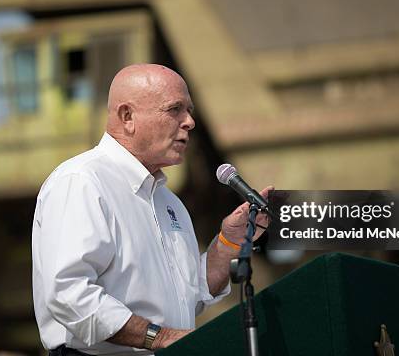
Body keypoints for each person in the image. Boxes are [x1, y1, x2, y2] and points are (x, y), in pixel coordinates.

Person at [32, 64, 271, 355]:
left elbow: (187, 298)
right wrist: (159, 338)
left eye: (190, 110)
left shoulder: (168, 201)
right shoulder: (81, 182)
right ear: (127, 117)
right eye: (175, 110)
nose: (190, 122)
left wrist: (229, 241)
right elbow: (68, 293)